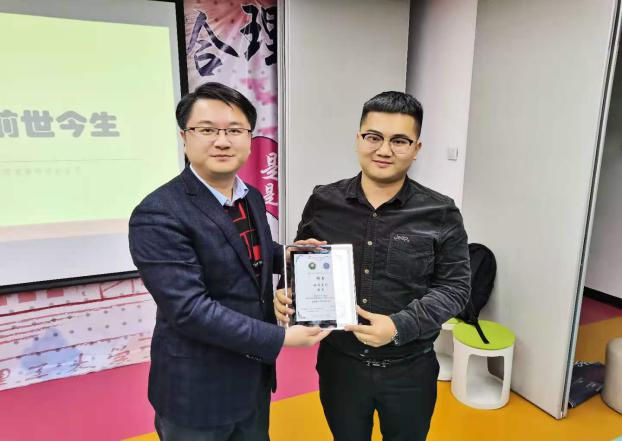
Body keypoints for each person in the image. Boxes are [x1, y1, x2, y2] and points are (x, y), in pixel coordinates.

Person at [129, 82, 329, 441]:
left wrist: (288, 255)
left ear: (249, 139)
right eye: (207, 130)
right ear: (184, 137)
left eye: (235, 130)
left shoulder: (250, 196)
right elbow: (190, 310)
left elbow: (250, 251)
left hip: (252, 380)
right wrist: (282, 337)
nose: (222, 141)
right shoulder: (158, 213)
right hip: (196, 392)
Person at [274, 91, 471, 441]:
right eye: (373, 137)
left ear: (416, 148)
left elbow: (455, 288)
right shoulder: (324, 201)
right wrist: (286, 294)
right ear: (358, 139)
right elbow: (302, 261)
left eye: (399, 141)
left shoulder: (440, 212)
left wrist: (398, 326)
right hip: (340, 367)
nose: (384, 150)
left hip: (410, 370)